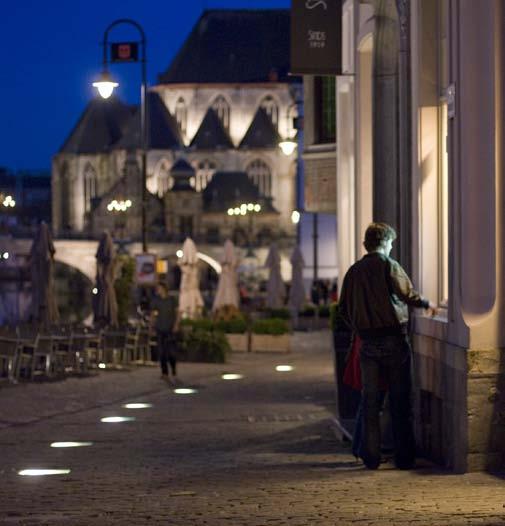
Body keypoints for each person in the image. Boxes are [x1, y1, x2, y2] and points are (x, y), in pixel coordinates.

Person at [339, 222, 437, 470]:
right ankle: (404, 457)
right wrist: (426, 303)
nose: (392, 247)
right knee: (399, 400)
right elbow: (408, 294)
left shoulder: (354, 271)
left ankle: (371, 457)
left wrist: (359, 326)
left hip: (368, 343)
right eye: (391, 243)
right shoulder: (389, 266)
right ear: (385, 243)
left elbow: (343, 309)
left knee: (370, 402)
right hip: (394, 339)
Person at [151, 282, 180, 384]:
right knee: (162, 352)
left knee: (171, 352)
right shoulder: (156, 300)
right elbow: (153, 314)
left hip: (170, 329)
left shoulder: (172, 300)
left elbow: (177, 313)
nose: (157, 290)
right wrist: (152, 327)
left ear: (163, 289)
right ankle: (165, 373)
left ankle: (174, 373)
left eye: (158, 288)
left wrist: (176, 325)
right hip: (160, 328)